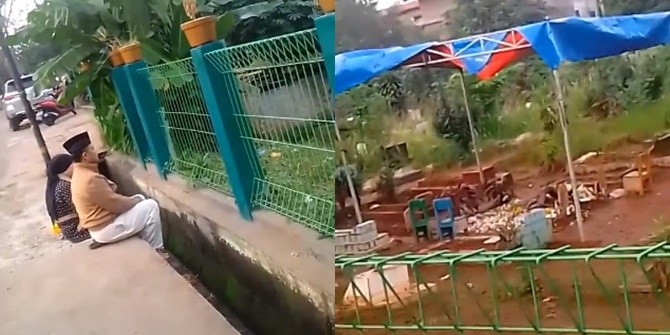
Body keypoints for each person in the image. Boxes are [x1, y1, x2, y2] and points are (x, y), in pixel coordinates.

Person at [63, 131, 164, 250]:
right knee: (150, 206)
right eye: (92, 149)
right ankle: (157, 249)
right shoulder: (89, 179)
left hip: (99, 227)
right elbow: (117, 204)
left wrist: (136, 200)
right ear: (85, 155)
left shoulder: (79, 174)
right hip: (105, 229)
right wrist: (136, 201)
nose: (96, 152)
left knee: (140, 201)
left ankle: (147, 245)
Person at [45, 154, 91, 243]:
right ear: (65, 169)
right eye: (72, 164)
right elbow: (80, 206)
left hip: (69, 231)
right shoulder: (64, 186)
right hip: (77, 231)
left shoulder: (56, 185)